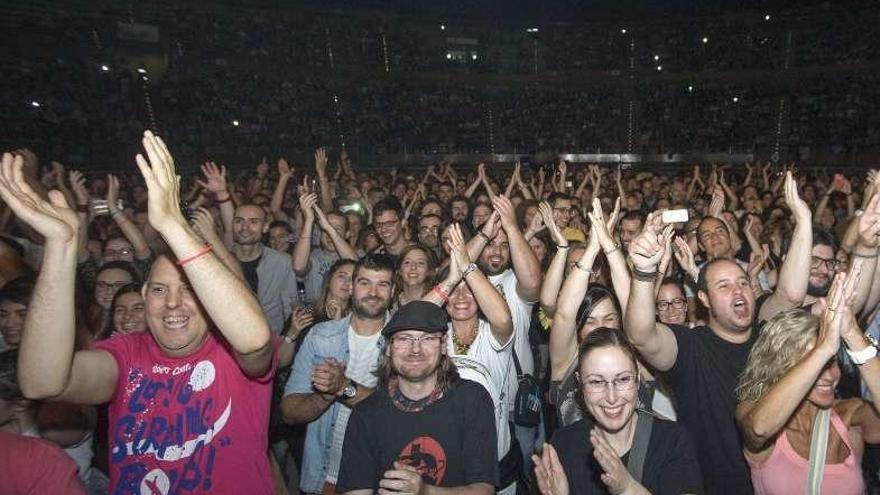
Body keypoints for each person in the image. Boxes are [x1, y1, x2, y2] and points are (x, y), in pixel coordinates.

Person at [8, 132, 277, 494]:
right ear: (144, 294)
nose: (172, 304)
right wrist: (61, 247)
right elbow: (41, 382)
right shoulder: (126, 354)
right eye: (160, 290)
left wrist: (174, 224)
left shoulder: (230, 351)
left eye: (190, 291)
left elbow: (256, 339)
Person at [622, 173, 813, 494]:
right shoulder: (690, 347)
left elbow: (791, 296)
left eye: (741, 282)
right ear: (705, 299)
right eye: (723, 286)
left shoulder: (766, 334)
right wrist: (643, 271)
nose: (738, 290)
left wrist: (804, 220)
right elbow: (642, 335)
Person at [737, 271, 880, 494]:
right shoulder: (754, 410)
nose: (829, 376)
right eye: (814, 364)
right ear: (780, 366)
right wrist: (823, 349)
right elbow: (758, 430)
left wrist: (853, 335)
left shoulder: (849, 415)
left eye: (831, 362)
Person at [336, 301, 498, 494]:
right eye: (404, 339)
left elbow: (484, 489)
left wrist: (425, 492)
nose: (415, 349)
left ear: (443, 345)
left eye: (427, 339)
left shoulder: (472, 400)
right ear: (388, 348)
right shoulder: (366, 414)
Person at [534, 327, 703, 495]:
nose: (612, 397)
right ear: (580, 385)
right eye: (596, 382)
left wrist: (628, 488)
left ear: (637, 380)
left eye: (622, 379)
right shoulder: (564, 445)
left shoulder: (673, 442)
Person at [281, 254, 395, 494]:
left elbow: (398, 414)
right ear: (351, 287)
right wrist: (323, 395)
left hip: (380, 476)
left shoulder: (404, 340)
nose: (373, 292)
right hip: (324, 474)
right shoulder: (320, 335)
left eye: (382, 284)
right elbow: (289, 412)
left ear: (393, 290)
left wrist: (342, 386)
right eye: (365, 283)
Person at [231, 202, 300, 333]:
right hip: (230, 339)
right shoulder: (218, 260)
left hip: (272, 339)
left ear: (265, 227)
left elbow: (290, 305)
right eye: (239, 221)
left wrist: (287, 339)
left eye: (253, 222)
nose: (245, 227)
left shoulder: (282, 262)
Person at [293, 191, 358, 304]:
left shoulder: (358, 254)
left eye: (337, 228)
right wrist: (309, 220)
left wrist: (328, 227)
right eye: (325, 230)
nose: (329, 234)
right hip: (316, 314)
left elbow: (356, 265)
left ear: (347, 233)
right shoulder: (313, 255)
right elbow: (298, 267)